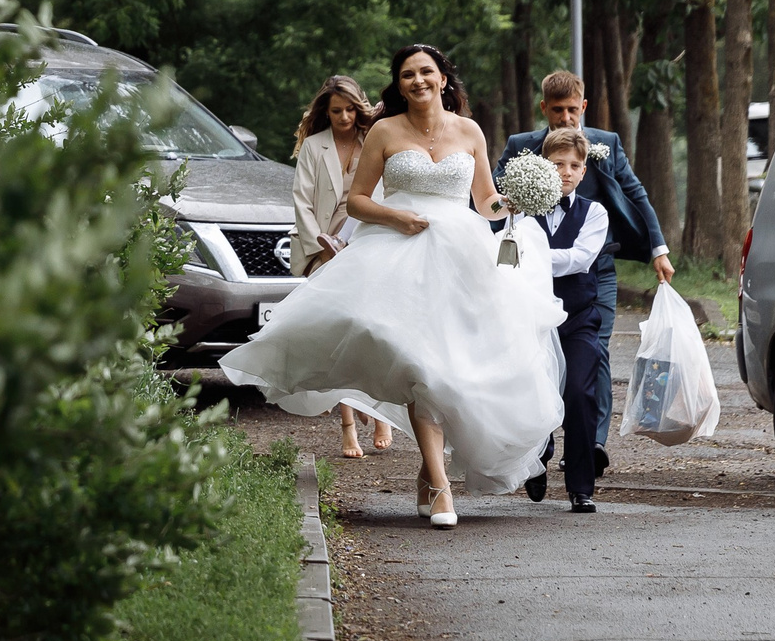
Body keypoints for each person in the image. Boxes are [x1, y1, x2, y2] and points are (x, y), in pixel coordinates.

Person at [223, 44, 564, 528]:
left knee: (452, 367)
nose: (418, 81)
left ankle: (429, 474)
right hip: (396, 254)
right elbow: (358, 202)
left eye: (426, 72)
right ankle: (442, 486)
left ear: (444, 79)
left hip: (462, 259)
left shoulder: (469, 131)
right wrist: (396, 215)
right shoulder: (384, 130)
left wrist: (516, 200)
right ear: (398, 84)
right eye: (407, 75)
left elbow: (484, 201)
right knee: (417, 361)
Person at [498, 71, 674, 469]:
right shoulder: (521, 147)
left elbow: (635, 193)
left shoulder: (606, 144)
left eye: (572, 110)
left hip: (598, 270)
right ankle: (538, 441)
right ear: (544, 108)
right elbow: (494, 196)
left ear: (584, 107)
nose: (565, 118)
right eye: (556, 110)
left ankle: (591, 444)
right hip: (535, 274)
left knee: (595, 351)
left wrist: (657, 249)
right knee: (536, 353)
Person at [290, 76, 391, 458]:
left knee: (374, 334)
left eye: (351, 109)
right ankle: (348, 426)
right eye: (336, 111)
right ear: (324, 111)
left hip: (368, 241)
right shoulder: (314, 148)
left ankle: (381, 413)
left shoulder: (375, 139)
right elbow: (301, 201)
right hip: (323, 247)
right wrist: (320, 243)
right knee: (339, 339)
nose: (345, 117)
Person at [525, 128, 609, 513]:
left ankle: (581, 485)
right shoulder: (524, 211)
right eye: (558, 163)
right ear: (544, 166)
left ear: (584, 170)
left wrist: (535, 254)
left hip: (578, 319)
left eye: (575, 165)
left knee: (579, 392)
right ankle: (535, 460)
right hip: (531, 319)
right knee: (530, 392)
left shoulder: (595, 212)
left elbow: (580, 258)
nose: (567, 171)